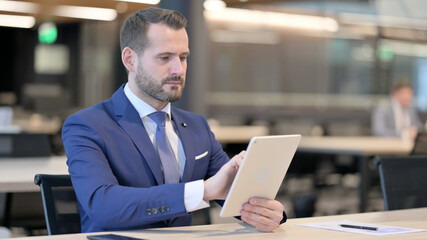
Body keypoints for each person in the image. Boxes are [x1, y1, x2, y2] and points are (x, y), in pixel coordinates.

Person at [62, 7, 286, 233]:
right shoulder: (87, 125)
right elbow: (103, 206)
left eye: (183, 57)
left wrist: (265, 212)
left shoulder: (197, 126)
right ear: (130, 59)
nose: (178, 69)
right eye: (165, 57)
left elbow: (229, 192)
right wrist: (203, 191)